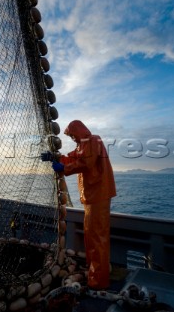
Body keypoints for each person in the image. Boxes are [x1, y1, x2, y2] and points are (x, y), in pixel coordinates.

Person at [41, 120, 116, 290]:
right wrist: (55, 157)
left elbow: (85, 164)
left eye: (73, 135)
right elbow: (72, 158)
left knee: (97, 236)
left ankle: (99, 281)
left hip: (99, 195)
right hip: (92, 196)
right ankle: (93, 272)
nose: (73, 138)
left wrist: (63, 169)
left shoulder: (94, 141)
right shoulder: (82, 146)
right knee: (91, 234)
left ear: (80, 131)